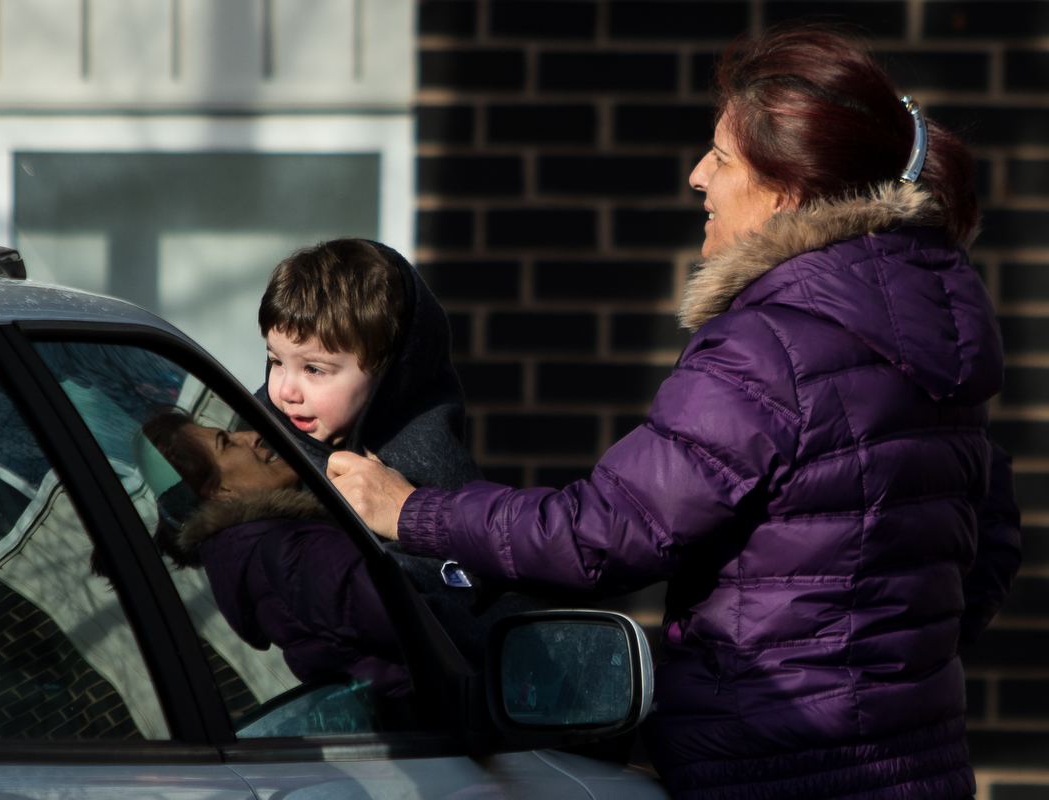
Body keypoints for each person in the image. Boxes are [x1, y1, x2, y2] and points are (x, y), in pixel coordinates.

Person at [327, 24, 1021, 800]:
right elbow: (984, 551)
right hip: (917, 764)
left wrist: (414, 512)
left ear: (785, 189)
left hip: (778, 768)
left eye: (722, 158)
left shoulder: (771, 345)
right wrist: (882, 668)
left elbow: (608, 533)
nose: (697, 177)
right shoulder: (934, 328)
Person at [140, 411, 535, 699]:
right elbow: (422, 618)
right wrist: (412, 513)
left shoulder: (265, 554)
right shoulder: (289, 553)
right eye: (226, 444)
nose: (253, 436)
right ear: (218, 493)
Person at [255, 238, 481, 491]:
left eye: (314, 369)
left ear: (387, 374)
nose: (286, 392)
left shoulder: (424, 478)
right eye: (276, 361)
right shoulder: (252, 430)